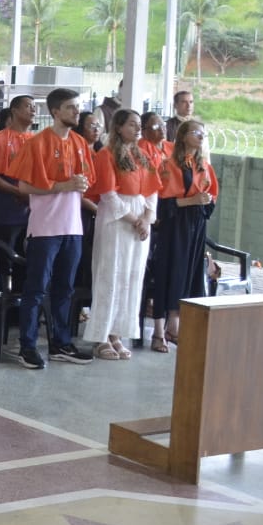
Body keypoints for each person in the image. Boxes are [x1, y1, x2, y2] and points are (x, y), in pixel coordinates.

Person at [7, 87, 97, 368]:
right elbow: (23, 186)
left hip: (73, 227)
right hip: (45, 228)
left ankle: (61, 342)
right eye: (70, 107)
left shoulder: (80, 143)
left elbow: (86, 181)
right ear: (55, 111)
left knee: (65, 288)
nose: (76, 111)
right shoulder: (37, 143)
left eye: (77, 106)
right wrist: (63, 185)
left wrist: (79, 185)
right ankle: (28, 346)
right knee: (36, 289)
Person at [83, 109, 160, 360]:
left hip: (139, 219)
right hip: (117, 220)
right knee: (110, 275)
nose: (137, 129)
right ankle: (101, 336)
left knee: (131, 277)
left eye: (139, 125)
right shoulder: (106, 154)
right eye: (132, 125)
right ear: (118, 127)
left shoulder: (142, 155)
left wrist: (146, 218)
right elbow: (108, 195)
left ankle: (117, 334)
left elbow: (152, 192)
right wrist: (135, 219)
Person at [148, 120, 218, 353]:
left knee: (189, 274)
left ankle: (175, 325)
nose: (200, 136)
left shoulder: (204, 166)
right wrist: (191, 200)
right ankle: (159, 330)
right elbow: (162, 202)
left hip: (195, 226)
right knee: (169, 273)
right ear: (183, 136)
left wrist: (206, 201)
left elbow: (210, 196)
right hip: (174, 226)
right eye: (196, 132)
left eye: (203, 133)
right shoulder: (168, 165)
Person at [0, 94, 36, 268]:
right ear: (15, 111)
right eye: (28, 106)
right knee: (4, 256)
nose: (33, 110)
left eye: (34, 106)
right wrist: (17, 191)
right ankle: (1, 284)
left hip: (33, 209)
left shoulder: (36, 140)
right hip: (7, 208)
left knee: (27, 257)